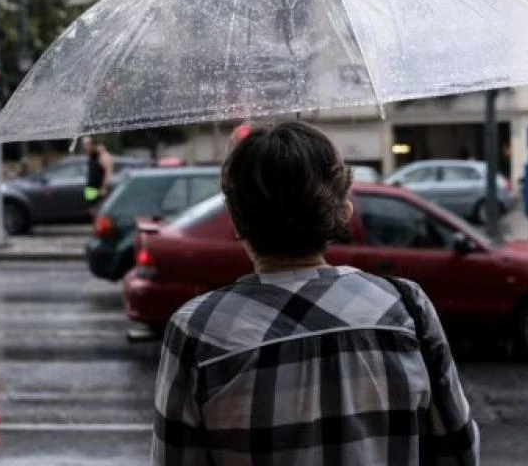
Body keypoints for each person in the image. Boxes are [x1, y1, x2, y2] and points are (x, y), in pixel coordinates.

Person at [152, 121, 478, 466]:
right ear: (344, 210)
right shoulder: (407, 309)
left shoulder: (197, 330)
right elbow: (460, 453)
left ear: (234, 217)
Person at [83, 137, 113, 222]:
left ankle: (100, 224)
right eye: (84, 145)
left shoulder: (101, 155)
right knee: (91, 209)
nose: (85, 147)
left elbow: (108, 171)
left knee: (100, 209)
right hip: (90, 188)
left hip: (99, 188)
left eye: (87, 144)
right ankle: (97, 223)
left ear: (92, 145)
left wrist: (104, 186)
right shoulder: (91, 155)